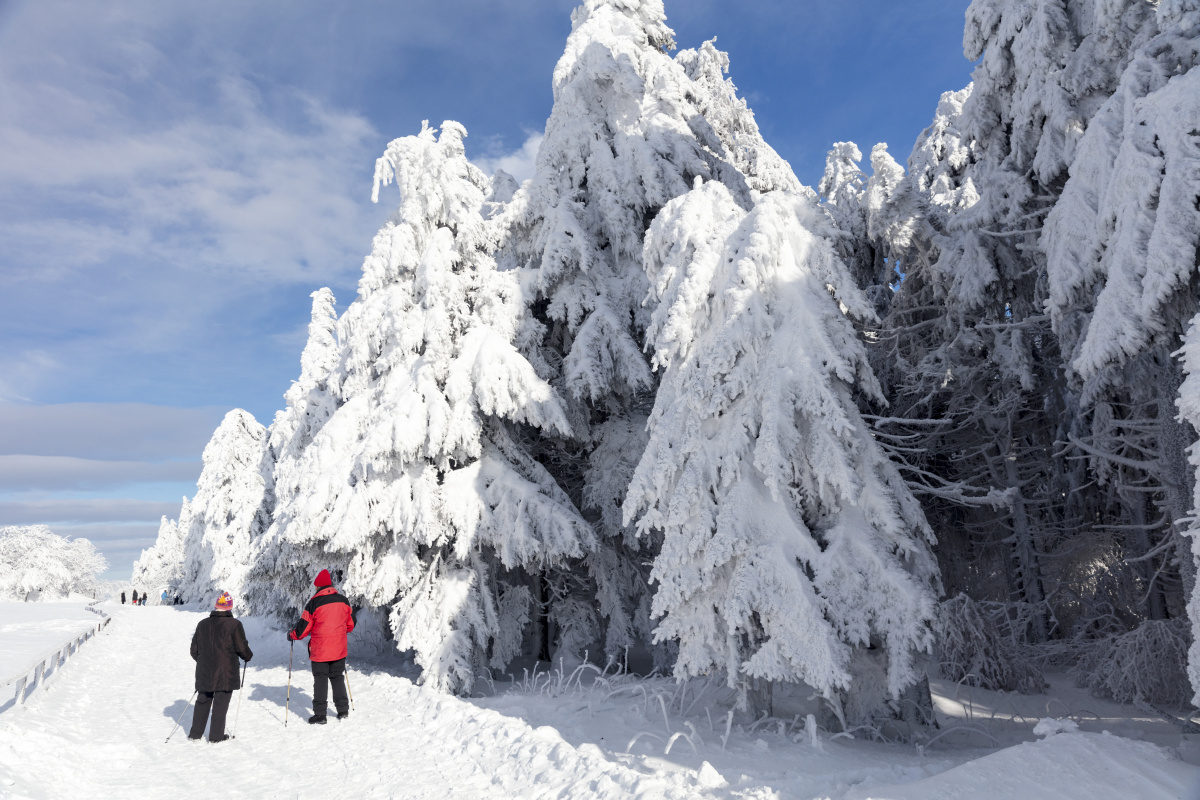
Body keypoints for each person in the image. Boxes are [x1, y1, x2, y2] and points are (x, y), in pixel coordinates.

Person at [288, 569, 356, 725]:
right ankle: (342, 710)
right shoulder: (343, 601)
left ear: (318, 587)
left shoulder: (313, 604)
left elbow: (302, 629)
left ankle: (320, 715)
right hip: (339, 649)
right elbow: (351, 624)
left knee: (320, 680)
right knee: (337, 677)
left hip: (320, 651)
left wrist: (292, 635)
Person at [189, 591, 253, 743]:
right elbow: (241, 647)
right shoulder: (234, 624)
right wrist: (247, 656)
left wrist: (204, 662)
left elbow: (194, 650)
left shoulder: (202, 624)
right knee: (220, 703)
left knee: (203, 700)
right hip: (226, 672)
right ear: (229, 607)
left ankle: (195, 734)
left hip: (205, 670)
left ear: (216, 606)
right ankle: (216, 737)